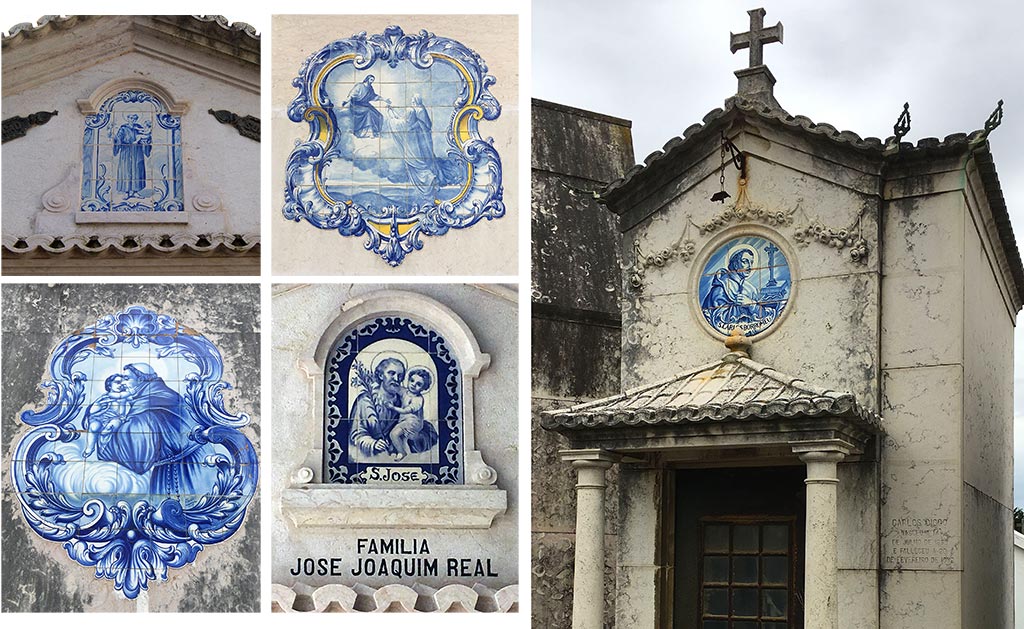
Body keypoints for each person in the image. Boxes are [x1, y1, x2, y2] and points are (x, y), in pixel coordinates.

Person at [83, 363, 204, 496]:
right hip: (172, 465)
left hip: (184, 469)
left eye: (127, 378)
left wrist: (105, 437)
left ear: (141, 380)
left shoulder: (150, 401)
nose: (123, 383)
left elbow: (137, 449)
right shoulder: (157, 394)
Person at [349, 356, 438, 459]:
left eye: (400, 376)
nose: (396, 379)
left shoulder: (404, 400)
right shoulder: (365, 401)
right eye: (391, 373)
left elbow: (428, 433)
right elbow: (355, 434)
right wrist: (372, 444)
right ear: (381, 375)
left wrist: (415, 437)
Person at [700, 246, 763, 329]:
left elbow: (761, 315)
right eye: (745, 262)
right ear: (735, 264)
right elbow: (717, 318)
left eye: (751, 262)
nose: (750, 266)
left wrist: (751, 304)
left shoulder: (751, 289)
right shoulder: (722, 287)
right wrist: (739, 306)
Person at [385, 367, 433, 461]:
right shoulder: (405, 391)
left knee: (394, 434)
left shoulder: (418, 399)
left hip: (413, 422)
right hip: (404, 421)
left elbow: (406, 410)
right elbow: (397, 388)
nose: (413, 385)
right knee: (399, 436)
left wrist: (392, 407)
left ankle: (402, 452)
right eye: (412, 380)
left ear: (423, 388)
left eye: (418, 384)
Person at [82, 373, 132, 459]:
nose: (120, 385)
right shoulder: (109, 395)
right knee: (94, 427)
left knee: (111, 426)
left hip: (116, 418)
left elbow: (133, 400)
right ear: (109, 385)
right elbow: (92, 410)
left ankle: (105, 446)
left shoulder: (124, 396)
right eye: (117, 382)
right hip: (101, 417)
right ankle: (90, 447)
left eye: (122, 383)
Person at [112, 114, 152, 198]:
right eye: (130, 118)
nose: (132, 120)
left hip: (137, 152)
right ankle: (127, 192)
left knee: (137, 170)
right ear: (127, 118)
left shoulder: (138, 127)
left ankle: (135, 191)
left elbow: (145, 137)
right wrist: (115, 138)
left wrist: (147, 140)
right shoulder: (123, 128)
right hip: (126, 151)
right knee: (126, 170)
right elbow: (118, 139)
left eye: (134, 118)